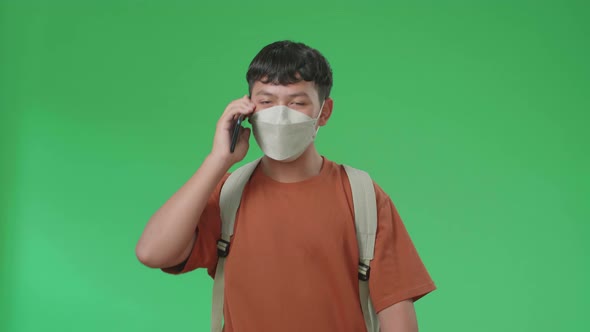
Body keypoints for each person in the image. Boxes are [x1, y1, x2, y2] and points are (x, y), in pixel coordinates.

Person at [136, 40, 436, 332]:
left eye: (297, 102)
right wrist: (217, 161)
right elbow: (152, 252)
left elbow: (400, 321)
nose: (280, 114)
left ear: (325, 111)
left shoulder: (363, 197)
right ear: (248, 110)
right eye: (266, 101)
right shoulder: (230, 195)